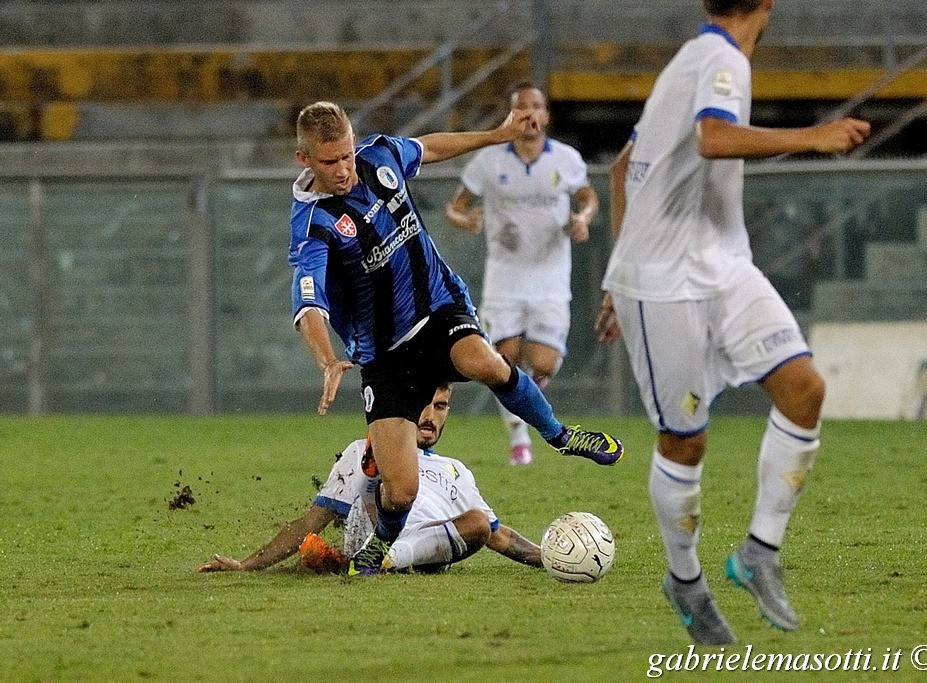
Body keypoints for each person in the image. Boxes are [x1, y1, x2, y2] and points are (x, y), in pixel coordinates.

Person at [595, 0, 870, 645]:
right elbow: (713, 139)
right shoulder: (720, 58)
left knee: (804, 390)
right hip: (663, 284)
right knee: (685, 439)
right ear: (767, 6)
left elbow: (620, 169)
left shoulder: (692, 61)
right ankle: (685, 582)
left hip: (723, 266)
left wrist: (618, 257)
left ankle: (758, 554)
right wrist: (813, 136)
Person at [288, 101, 623, 575]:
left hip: (438, 308)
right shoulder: (311, 226)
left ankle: (561, 435)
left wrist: (496, 134)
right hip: (384, 354)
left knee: (485, 362)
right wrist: (326, 359)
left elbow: (429, 148)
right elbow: (308, 304)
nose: (343, 170)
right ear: (305, 160)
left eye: (346, 155)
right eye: (329, 162)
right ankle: (380, 544)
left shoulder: (379, 157)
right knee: (400, 489)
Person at [197, 385, 543, 574]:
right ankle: (379, 553)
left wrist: (550, 558)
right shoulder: (365, 449)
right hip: (375, 524)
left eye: (440, 406)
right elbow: (312, 521)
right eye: (424, 403)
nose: (430, 415)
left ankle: (387, 559)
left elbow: (500, 537)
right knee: (379, 475)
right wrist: (247, 565)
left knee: (479, 524)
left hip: (429, 544)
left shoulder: (457, 470)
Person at [445, 83, 599, 466]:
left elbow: (588, 197)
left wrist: (583, 219)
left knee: (544, 363)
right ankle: (519, 440)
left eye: (536, 106)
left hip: (550, 279)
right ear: (511, 116)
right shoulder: (489, 162)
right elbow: (454, 207)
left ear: (546, 115)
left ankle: (525, 404)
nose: (530, 113)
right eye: (521, 107)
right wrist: (466, 220)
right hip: (504, 280)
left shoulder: (566, 159)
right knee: (503, 360)